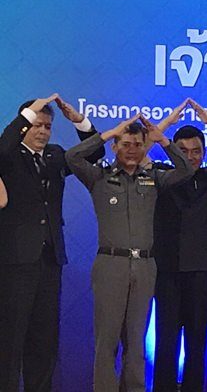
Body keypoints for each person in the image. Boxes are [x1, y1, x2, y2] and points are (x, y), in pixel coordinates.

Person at [66, 114, 194, 392]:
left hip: (145, 266)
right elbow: (72, 157)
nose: (132, 149)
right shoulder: (99, 177)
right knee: (107, 340)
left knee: (136, 340)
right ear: (115, 146)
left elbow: (186, 171)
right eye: (125, 144)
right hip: (111, 264)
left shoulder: (153, 178)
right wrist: (108, 134)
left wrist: (163, 141)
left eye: (137, 144)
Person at [0, 94, 104, 392]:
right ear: (24, 126)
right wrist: (28, 114)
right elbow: (3, 146)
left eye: (47, 126)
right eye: (37, 125)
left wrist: (80, 121)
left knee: (44, 338)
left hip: (50, 259)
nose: (43, 131)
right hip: (16, 261)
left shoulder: (55, 155)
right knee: (11, 338)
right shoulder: (8, 155)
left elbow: (94, 153)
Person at [152, 99, 207, 392]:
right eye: (183, 151)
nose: (190, 157)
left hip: (201, 271)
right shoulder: (163, 175)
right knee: (165, 341)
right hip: (167, 270)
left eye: (196, 151)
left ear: (203, 153)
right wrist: (167, 123)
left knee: (196, 342)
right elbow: (142, 149)